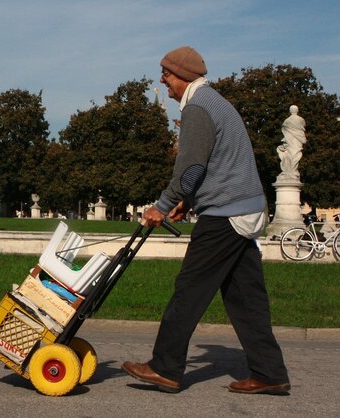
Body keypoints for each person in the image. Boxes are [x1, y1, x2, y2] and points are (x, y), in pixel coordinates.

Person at [124, 46, 290, 395]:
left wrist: (164, 204)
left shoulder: (198, 107)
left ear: (182, 76)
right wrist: (190, 201)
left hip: (227, 214)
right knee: (246, 298)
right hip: (245, 207)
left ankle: (165, 368)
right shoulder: (213, 101)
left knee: (189, 290)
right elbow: (215, 164)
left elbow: (191, 166)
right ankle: (270, 372)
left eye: (166, 73)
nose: (162, 80)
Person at [276, 105, 307, 181]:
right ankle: (291, 171)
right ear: (297, 110)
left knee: (291, 154)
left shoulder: (287, 121)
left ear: (290, 111)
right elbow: (303, 128)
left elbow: (284, 130)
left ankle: (290, 171)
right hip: (297, 141)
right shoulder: (301, 120)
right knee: (295, 154)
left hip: (290, 140)